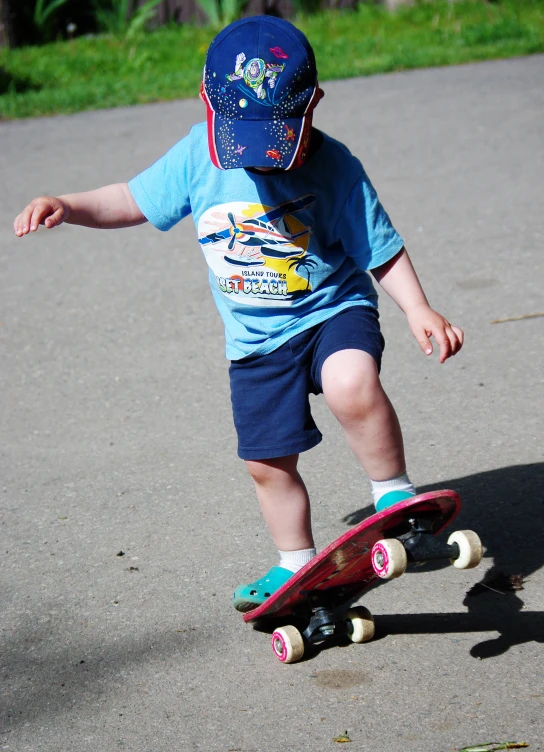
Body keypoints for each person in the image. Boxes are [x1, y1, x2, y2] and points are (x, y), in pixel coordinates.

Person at [13, 16, 463, 613]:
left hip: (332, 308)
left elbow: (378, 245)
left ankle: (393, 496)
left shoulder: (334, 165)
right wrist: (67, 205)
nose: (261, 157)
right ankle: (295, 563)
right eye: (245, 139)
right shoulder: (198, 157)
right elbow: (130, 200)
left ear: (312, 108)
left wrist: (418, 307)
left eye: (276, 139)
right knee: (265, 462)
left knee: (351, 383)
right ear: (209, 106)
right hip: (255, 344)